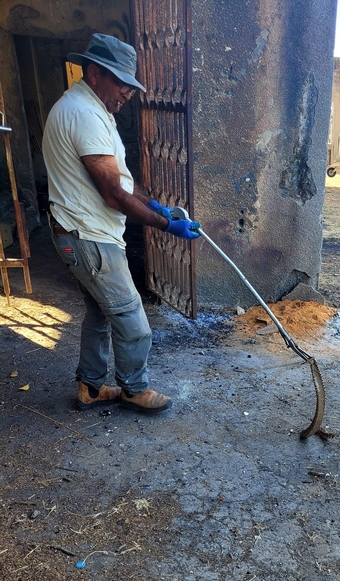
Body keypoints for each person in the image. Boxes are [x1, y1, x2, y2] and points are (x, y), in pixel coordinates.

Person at [42, 33, 199, 414]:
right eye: (122, 84)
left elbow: (123, 181)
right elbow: (113, 193)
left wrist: (157, 205)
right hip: (88, 236)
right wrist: (165, 226)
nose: (128, 94)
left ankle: (91, 388)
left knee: (100, 312)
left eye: (131, 87)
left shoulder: (95, 111)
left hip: (84, 232)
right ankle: (133, 387)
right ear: (95, 74)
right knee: (132, 319)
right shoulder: (82, 113)